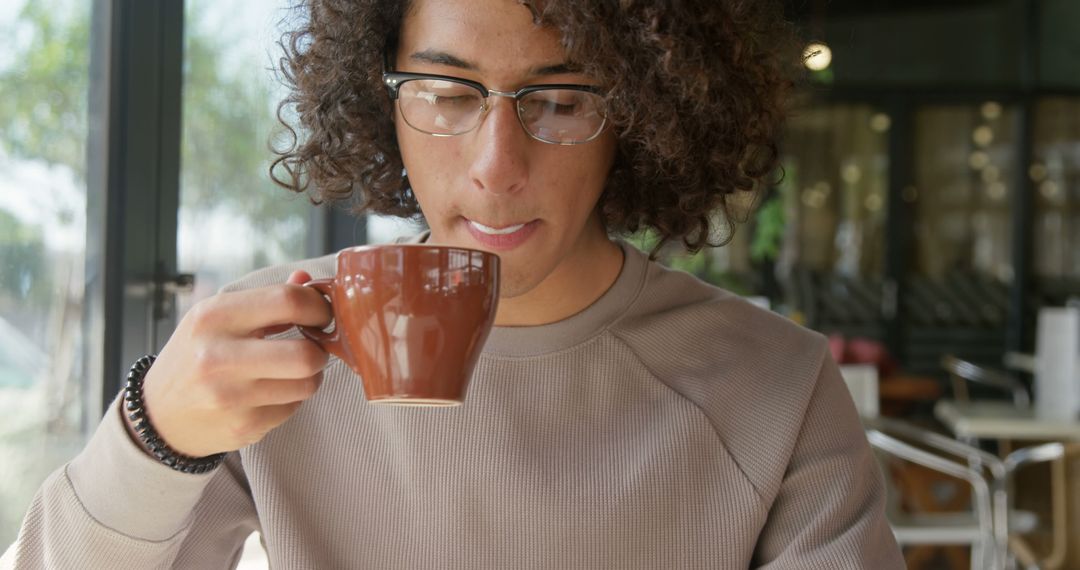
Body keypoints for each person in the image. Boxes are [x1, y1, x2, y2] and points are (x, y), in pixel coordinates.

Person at [10, 0, 905, 567]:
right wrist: (154, 434)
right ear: (380, 99)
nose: (496, 167)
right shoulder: (267, 346)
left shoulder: (774, 388)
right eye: (445, 92)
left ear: (643, 112)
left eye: (558, 101)